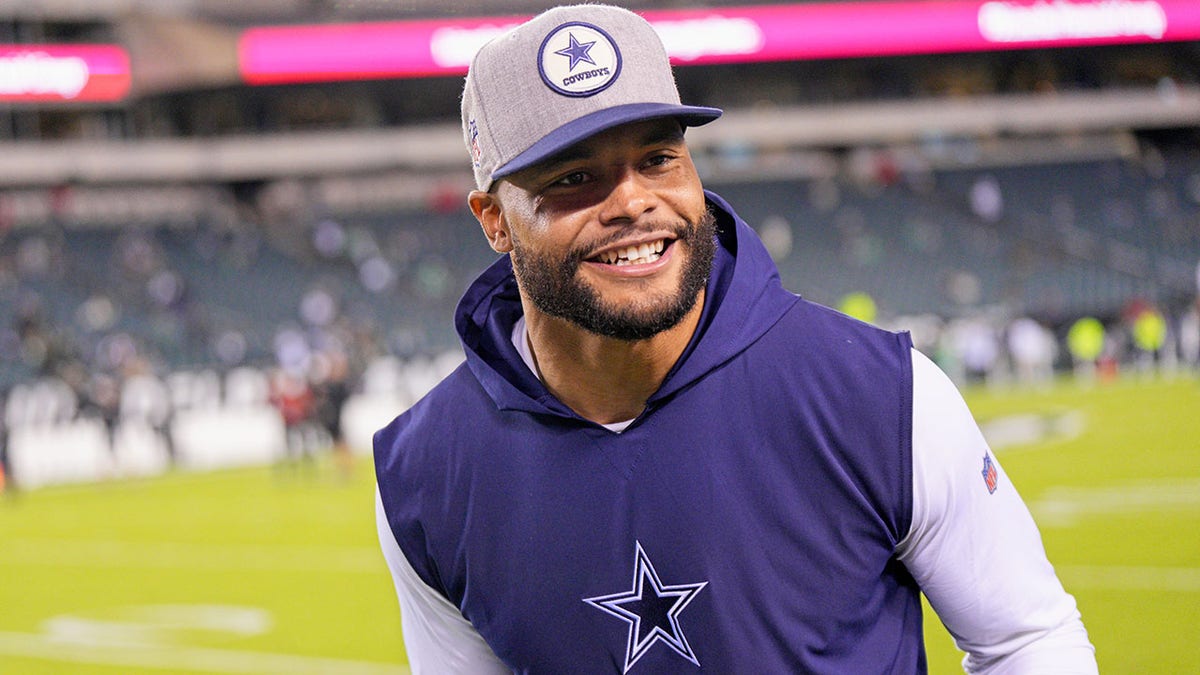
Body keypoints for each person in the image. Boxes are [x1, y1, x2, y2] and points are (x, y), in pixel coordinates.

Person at [374, 5, 1098, 673]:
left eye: (658, 157)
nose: (632, 200)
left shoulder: (879, 391)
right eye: (574, 177)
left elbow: (1026, 640)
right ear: (493, 219)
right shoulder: (425, 471)